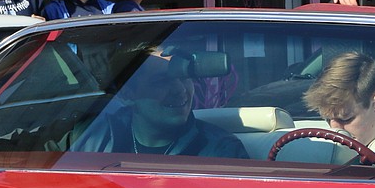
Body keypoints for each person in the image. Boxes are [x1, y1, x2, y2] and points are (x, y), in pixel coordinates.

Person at [63, 50, 247, 158]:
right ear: (128, 94)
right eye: (161, 81)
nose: (180, 90)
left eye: (184, 77)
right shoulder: (91, 136)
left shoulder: (221, 151)